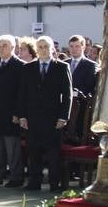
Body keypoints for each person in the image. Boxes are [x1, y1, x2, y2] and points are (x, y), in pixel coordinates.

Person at [19, 35, 72, 192]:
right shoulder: (28, 68)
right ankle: (34, 182)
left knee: (53, 153)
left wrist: (64, 116)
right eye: (40, 47)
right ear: (36, 49)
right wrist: (22, 116)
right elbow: (22, 94)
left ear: (52, 49)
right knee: (33, 151)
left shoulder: (61, 67)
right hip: (33, 117)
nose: (43, 50)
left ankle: (54, 184)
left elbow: (67, 95)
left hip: (53, 117)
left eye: (46, 47)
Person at [0, 35, 25, 187]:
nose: (1, 48)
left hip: (11, 113)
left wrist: (18, 112)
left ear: (12, 48)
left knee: (12, 148)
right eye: (0, 45)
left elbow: (22, 92)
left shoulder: (20, 66)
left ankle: (16, 177)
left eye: (5, 46)